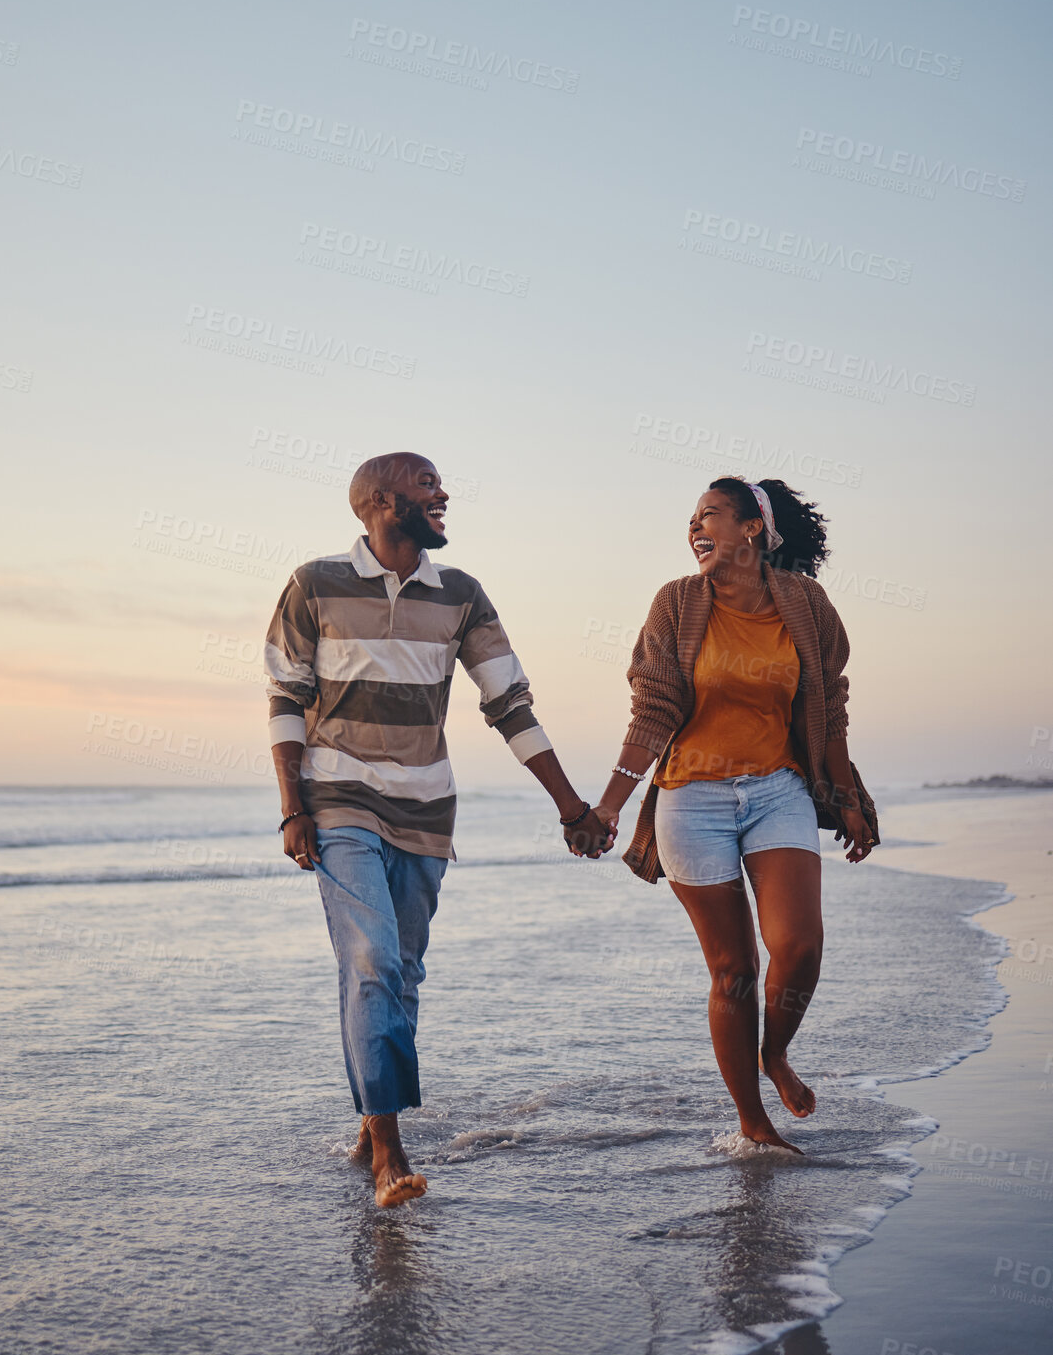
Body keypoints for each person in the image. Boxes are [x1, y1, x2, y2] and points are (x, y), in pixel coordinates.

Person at [264, 452, 611, 1207]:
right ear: (381, 502)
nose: (442, 494)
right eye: (427, 486)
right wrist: (293, 806)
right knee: (371, 962)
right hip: (338, 802)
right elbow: (286, 699)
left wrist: (570, 806)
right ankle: (389, 1150)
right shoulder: (313, 584)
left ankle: (369, 1118)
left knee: (402, 975)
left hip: (426, 810)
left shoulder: (460, 594)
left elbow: (509, 703)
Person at [591, 478, 877, 1154]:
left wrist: (847, 798)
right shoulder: (677, 603)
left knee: (799, 945)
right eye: (690, 520)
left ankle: (772, 1053)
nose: (695, 529)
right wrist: (609, 802)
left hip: (777, 788)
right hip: (691, 798)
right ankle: (754, 1123)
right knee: (733, 970)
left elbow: (827, 708)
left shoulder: (805, 605)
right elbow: (653, 708)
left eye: (710, 516)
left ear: (752, 528)